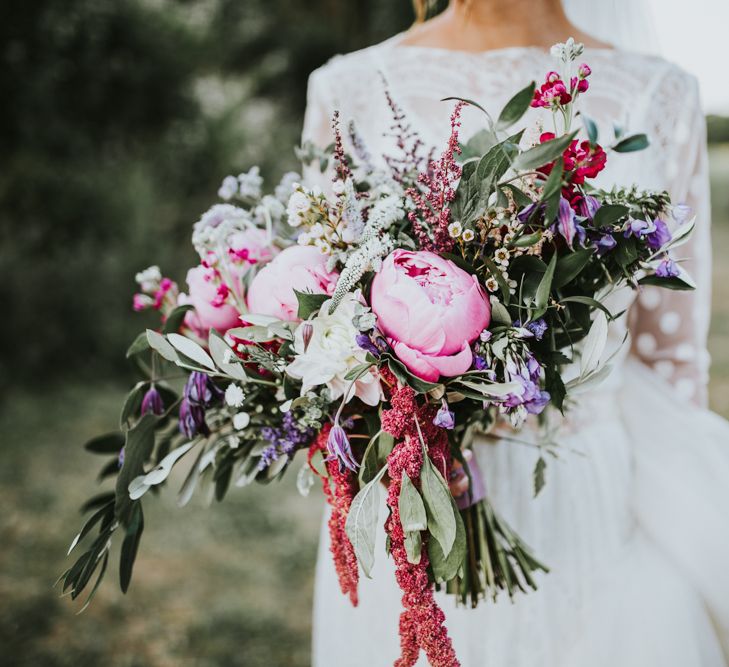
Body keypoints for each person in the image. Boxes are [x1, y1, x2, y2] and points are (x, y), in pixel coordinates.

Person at [302, 1, 729, 664]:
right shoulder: (345, 87)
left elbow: (671, 357)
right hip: (411, 499)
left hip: (578, 492)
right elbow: (325, 308)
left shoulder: (658, 92)